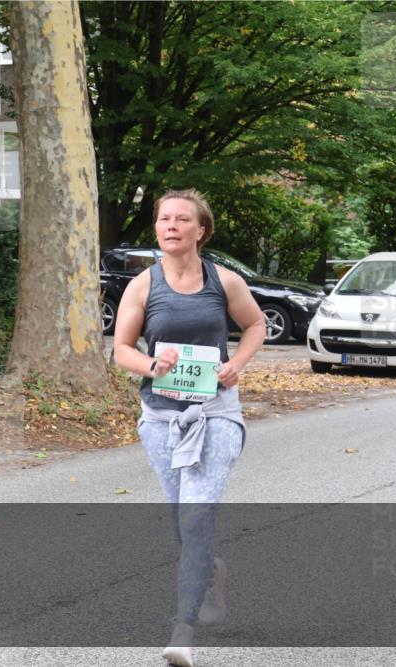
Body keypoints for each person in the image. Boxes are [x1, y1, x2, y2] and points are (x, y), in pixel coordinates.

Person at [113, 189, 265, 666]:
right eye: (164, 219)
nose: (171, 226)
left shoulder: (225, 281)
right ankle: (210, 570)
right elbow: (121, 350)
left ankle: (183, 631)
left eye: (182, 219)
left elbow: (256, 325)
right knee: (184, 519)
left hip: (216, 413)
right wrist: (153, 362)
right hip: (160, 417)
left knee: (197, 515)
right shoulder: (142, 285)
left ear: (201, 230)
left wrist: (237, 362)